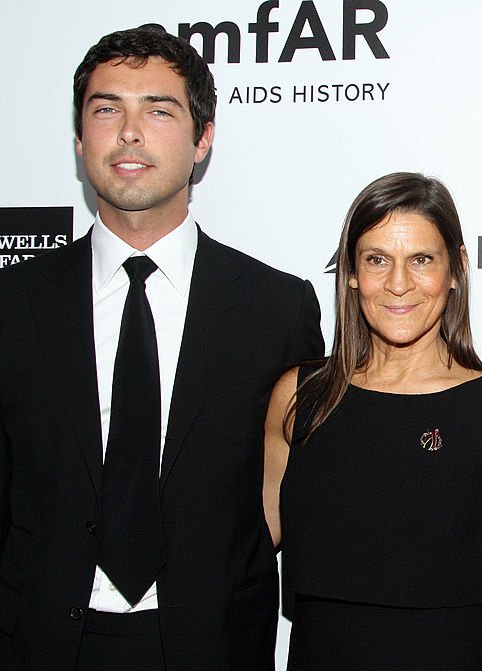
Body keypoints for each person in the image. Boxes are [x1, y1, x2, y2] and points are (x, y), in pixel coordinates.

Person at [0, 25, 324, 670]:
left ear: (203, 139)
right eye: (106, 108)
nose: (129, 131)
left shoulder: (276, 308)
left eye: (159, 109)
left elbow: (303, 493)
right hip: (37, 641)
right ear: (78, 138)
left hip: (215, 644)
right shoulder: (13, 303)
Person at [263, 172, 482, 670]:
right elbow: (242, 549)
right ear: (350, 272)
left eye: (421, 260)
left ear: (455, 270)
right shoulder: (299, 397)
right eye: (376, 260)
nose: (397, 283)